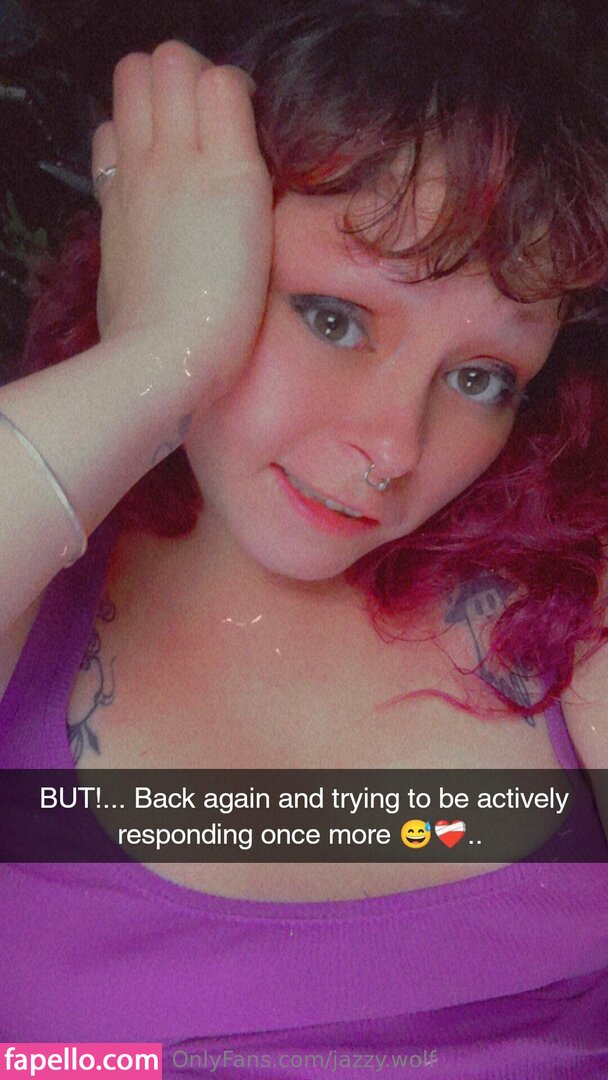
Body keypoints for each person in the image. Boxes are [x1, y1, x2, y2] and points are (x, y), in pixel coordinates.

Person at [0, 0, 607, 1074]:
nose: (392, 447)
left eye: (479, 378)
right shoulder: (33, 595)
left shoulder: (567, 612)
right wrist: (163, 346)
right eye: (333, 317)